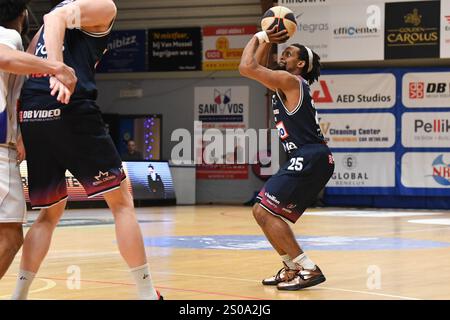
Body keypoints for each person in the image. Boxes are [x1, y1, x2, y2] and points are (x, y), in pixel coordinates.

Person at [11, 0, 162, 300]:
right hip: (68, 103)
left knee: (48, 214)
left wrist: (18, 129)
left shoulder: (43, 30)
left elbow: (24, 68)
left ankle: (19, 295)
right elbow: (56, 17)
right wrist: (57, 68)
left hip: (32, 112)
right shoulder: (103, 7)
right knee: (121, 203)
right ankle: (147, 294)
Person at [239, 27, 335, 291]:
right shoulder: (283, 82)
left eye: (289, 53)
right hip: (309, 157)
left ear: (300, 64)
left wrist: (260, 35)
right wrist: (268, 40)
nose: (284, 55)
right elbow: (257, 66)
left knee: (265, 210)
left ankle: (308, 267)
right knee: (261, 211)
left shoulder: (291, 81)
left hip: (310, 156)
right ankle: (292, 266)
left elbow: (247, 67)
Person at [0, 0, 76, 281]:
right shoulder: (7, 36)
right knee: (9, 238)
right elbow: (4, 57)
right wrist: (55, 66)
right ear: (22, 15)